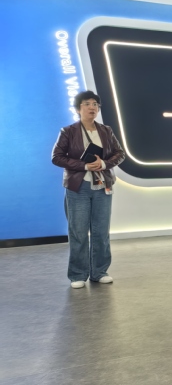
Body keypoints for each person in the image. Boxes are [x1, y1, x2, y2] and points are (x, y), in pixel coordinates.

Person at [51, 90, 126, 288]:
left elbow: (119, 153)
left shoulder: (106, 130)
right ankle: (77, 275)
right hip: (78, 187)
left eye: (95, 104)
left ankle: (99, 271)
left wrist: (104, 164)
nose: (92, 107)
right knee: (78, 232)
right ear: (78, 109)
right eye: (87, 104)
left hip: (102, 185)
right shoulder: (68, 131)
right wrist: (83, 166)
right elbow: (57, 157)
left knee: (101, 231)